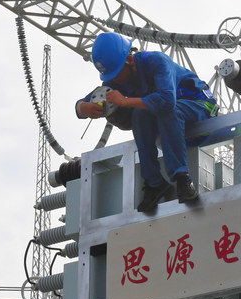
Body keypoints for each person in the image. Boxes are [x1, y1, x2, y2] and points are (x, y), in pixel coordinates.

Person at [76, 32, 218, 214]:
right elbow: (84, 102)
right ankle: (154, 183)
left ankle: (182, 178)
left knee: (167, 110)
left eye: (118, 73)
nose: (116, 79)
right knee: (139, 116)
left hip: (199, 105)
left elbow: (167, 100)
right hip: (170, 119)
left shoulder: (157, 61)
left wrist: (126, 101)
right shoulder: (116, 78)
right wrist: (84, 107)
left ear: (130, 60)